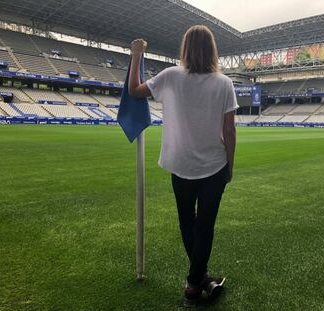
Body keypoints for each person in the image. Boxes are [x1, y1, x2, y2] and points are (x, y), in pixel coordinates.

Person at [128, 25, 238, 307]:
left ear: (185, 48)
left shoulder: (171, 76)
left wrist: (137, 55)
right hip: (214, 165)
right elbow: (230, 131)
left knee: (188, 222)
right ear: (212, 49)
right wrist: (230, 165)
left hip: (181, 164)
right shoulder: (224, 83)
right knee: (205, 226)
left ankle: (197, 280)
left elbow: (134, 90)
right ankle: (195, 283)